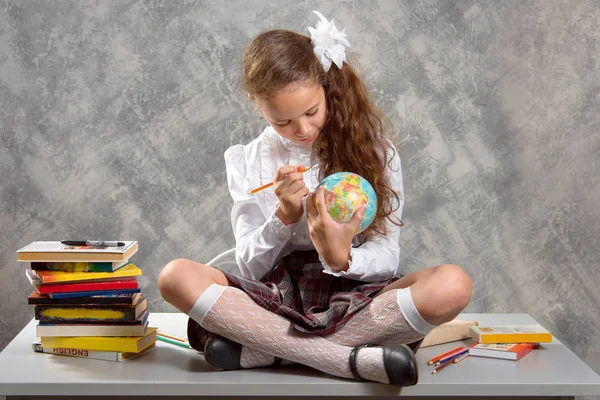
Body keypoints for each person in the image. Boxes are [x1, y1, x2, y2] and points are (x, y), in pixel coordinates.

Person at [158, 11, 472, 386]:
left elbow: (387, 257)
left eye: (311, 112)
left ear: (327, 88)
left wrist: (342, 256)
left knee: (453, 284)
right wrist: (283, 218)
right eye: (282, 121)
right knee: (175, 276)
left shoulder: (376, 152)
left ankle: (266, 350)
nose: (302, 129)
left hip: (357, 298)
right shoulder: (248, 160)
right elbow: (251, 269)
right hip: (278, 297)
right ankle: (346, 360)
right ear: (257, 105)